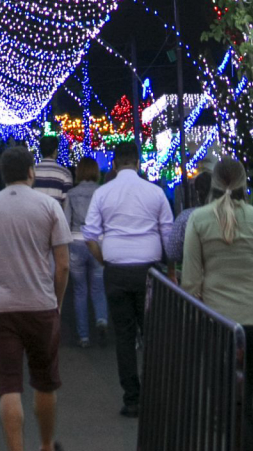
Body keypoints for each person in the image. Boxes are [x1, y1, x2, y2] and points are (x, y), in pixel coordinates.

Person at [0, 141, 71, 451]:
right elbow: (63, 264)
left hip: (0, 307)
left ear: (1, 174)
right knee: (44, 380)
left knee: (8, 384)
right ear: (30, 171)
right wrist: (58, 303)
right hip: (41, 305)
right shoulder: (48, 206)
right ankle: (46, 444)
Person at [182, 156, 253, 451]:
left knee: (224, 401)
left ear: (213, 184)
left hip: (216, 323)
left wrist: (194, 322)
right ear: (245, 184)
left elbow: (191, 281)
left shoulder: (199, 219)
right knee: (245, 402)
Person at [83, 139, 173, 419]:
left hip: (116, 269)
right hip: (149, 269)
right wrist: (170, 267)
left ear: (113, 163)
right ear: (137, 162)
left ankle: (131, 398)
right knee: (151, 333)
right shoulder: (155, 192)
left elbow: (89, 236)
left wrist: (104, 258)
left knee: (123, 335)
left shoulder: (103, 193)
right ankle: (156, 394)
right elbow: (168, 234)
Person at [64, 155, 109, 346]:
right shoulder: (103, 192)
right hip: (97, 243)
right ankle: (101, 318)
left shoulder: (71, 194)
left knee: (80, 291)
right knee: (98, 288)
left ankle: (83, 336)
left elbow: (65, 223)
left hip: (75, 242)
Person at [164, 166, 212, 265]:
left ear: (197, 193)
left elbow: (172, 253)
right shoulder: (231, 216)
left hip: (194, 273)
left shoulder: (185, 218)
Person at [33, 133, 73, 207]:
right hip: (55, 216)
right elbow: (66, 204)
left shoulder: (31, 172)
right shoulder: (65, 174)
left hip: (34, 216)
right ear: (55, 151)